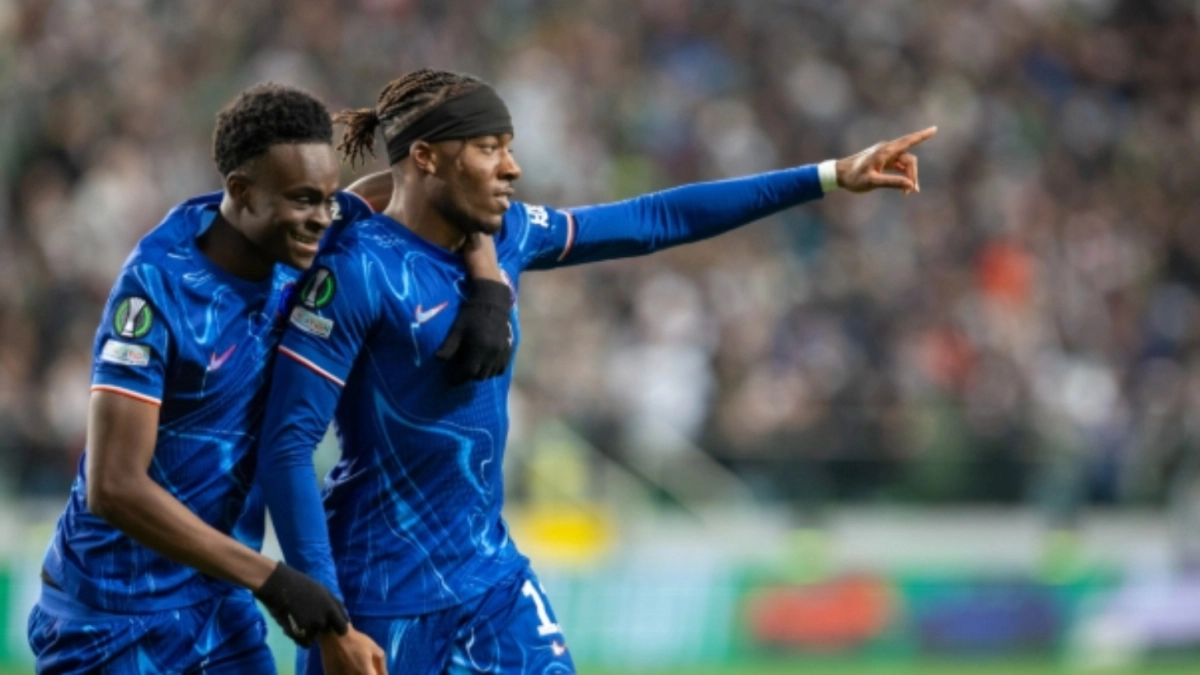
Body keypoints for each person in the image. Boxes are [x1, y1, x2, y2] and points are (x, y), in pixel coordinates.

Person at [257, 68, 935, 674]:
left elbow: (653, 218)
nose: (512, 167)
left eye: (509, 146)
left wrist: (828, 175)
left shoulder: (508, 235)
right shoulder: (354, 272)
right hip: (381, 593)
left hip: (492, 581)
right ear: (427, 157)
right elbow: (287, 445)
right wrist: (329, 619)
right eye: (489, 148)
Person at [27, 82, 512, 675]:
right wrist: (273, 579)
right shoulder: (156, 289)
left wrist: (487, 280)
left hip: (216, 605)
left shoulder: (303, 237)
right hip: (112, 615)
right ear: (241, 191)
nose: (324, 218)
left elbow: (424, 189)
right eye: (306, 200)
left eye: (329, 199)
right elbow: (114, 487)